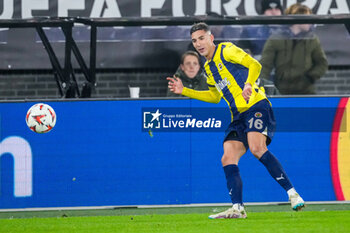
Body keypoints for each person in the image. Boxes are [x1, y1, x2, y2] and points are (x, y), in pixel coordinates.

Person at [167, 22, 304, 219]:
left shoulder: (226, 50)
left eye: (202, 38)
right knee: (228, 157)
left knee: (257, 148)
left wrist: (248, 84)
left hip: (257, 105)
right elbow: (214, 97)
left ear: (211, 38)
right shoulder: (208, 68)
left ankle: (293, 194)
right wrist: (184, 91)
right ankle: (238, 208)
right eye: (194, 41)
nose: (198, 43)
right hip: (238, 116)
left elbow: (255, 64)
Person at [259, 3, 328, 95]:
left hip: (306, 92)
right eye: (308, 19)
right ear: (298, 20)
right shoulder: (276, 38)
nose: (310, 22)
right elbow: (265, 66)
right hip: (281, 92)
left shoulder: (312, 39)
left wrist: (310, 77)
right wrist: (263, 88)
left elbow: (322, 63)